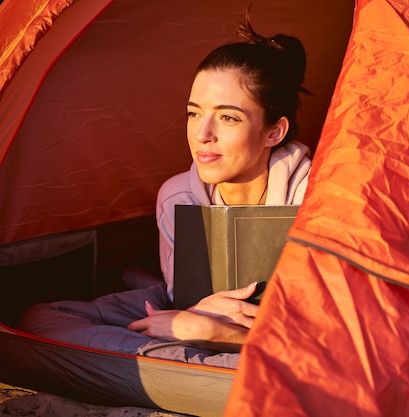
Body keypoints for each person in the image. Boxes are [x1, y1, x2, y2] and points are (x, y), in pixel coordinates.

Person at [18, 18, 311, 369]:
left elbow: (332, 326)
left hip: (295, 337)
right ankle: (208, 367)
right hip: (203, 319)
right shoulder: (177, 197)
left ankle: (201, 365)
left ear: (274, 132)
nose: (202, 134)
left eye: (228, 118)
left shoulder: (315, 196)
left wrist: (222, 333)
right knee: (41, 320)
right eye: (193, 113)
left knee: (318, 361)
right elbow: (181, 299)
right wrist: (194, 316)